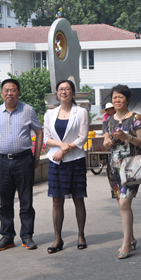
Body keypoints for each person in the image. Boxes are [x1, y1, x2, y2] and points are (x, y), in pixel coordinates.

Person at [0, 79, 43, 251]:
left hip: (24, 160)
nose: (10, 93)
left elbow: (39, 132)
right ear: (1, 93)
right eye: (6, 90)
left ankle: (27, 236)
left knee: (26, 200)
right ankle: (7, 236)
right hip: (1, 161)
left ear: (19, 93)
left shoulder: (28, 110)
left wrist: (37, 156)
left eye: (13, 90)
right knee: (5, 202)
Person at [43, 80, 90, 254]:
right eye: (61, 89)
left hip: (75, 160)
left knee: (78, 198)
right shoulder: (50, 113)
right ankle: (57, 239)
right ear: (57, 93)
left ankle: (81, 235)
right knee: (57, 200)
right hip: (55, 161)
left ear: (73, 93)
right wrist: (61, 146)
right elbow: (47, 138)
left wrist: (65, 150)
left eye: (67, 89)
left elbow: (82, 137)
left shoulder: (81, 112)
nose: (64, 92)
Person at [102, 84, 141, 260]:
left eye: (120, 97)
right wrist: (109, 142)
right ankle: (132, 237)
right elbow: (106, 141)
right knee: (122, 204)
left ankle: (126, 242)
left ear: (127, 99)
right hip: (114, 167)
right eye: (114, 98)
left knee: (124, 204)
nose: (117, 100)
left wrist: (127, 137)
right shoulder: (108, 120)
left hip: (132, 167)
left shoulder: (135, 118)